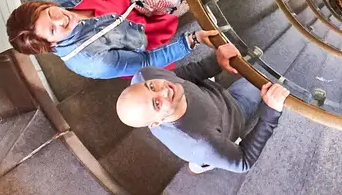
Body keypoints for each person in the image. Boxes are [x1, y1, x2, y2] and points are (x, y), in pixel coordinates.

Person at [115, 40, 291, 173]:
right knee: (266, 79)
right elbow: (243, 162)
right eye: (157, 103)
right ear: (156, 123)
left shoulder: (145, 75)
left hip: (210, 95)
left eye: (152, 87)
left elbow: (183, 75)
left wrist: (215, 62)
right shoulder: (201, 143)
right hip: (234, 113)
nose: (165, 90)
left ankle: (202, 162)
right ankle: (205, 162)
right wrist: (270, 114)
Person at [7, 0, 225, 80]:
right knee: (166, 26)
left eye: (50, 13)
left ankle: (179, 3)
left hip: (130, 7)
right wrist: (192, 40)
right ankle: (179, 7)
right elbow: (147, 61)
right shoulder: (94, 62)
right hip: (141, 38)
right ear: (52, 44)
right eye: (53, 31)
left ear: (45, 6)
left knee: (167, 2)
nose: (61, 19)